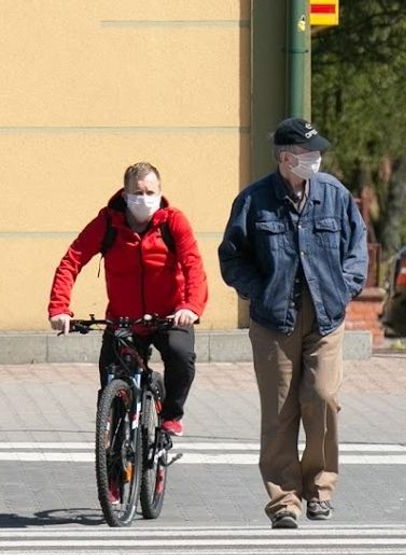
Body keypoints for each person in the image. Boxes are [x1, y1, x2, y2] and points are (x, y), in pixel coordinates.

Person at [218, 117, 368, 530]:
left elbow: (357, 249)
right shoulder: (253, 200)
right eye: (308, 152)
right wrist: (258, 291)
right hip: (273, 319)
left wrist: (345, 288)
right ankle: (284, 499)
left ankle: (320, 488)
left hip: (325, 315)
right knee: (280, 410)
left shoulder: (335, 195)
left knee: (322, 397)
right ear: (286, 158)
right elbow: (232, 257)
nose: (316, 158)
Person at [48, 162, 208, 439]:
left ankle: (171, 416)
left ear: (160, 192)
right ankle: (113, 444)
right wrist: (59, 308)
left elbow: (193, 265)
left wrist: (190, 307)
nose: (144, 199)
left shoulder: (173, 222)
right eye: (137, 192)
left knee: (181, 355)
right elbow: (72, 260)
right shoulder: (107, 223)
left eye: (150, 192)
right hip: (124, 319)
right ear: (125, 194)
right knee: (111, 379)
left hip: (169, 315)